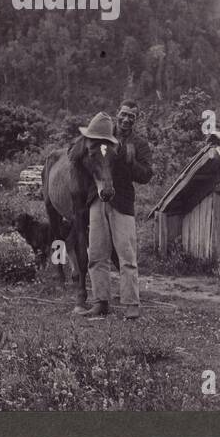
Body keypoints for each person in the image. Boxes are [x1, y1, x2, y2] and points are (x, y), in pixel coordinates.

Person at [79, 101, 154, 319]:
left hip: (122, 203)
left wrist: (132, 163)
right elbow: (81, 155)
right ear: (117, 114)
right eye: (124, 114)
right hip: (97, 200)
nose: (126, 119)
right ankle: (100, 302)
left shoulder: (139, 144)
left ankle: (131, 305)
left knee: (127, 255)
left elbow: (146, 175)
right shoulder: (101, 134)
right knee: (96, 254)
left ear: (136, 119)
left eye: (132, 116)